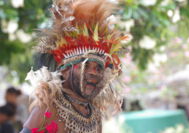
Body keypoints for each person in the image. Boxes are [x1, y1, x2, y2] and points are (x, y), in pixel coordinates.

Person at [20, 0, 126, 132]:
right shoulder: (49, 107)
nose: (94, 73)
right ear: (64, 70)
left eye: (98, 68)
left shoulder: (94, 114)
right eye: (86, 66)